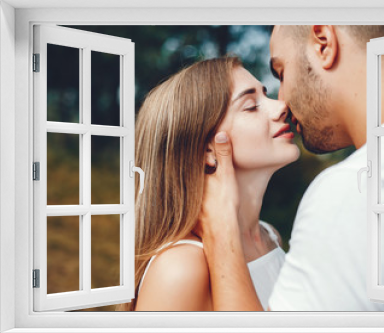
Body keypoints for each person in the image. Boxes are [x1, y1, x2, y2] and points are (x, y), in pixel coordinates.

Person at [198, 25, 384, 311]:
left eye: (282, 73)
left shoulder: (356, 192)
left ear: (323, 43)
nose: (281, 102)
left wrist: (220, 231)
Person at [118, 57, 300, 311]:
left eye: (265, 95)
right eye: (251, 106)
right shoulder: (180, 268)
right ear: (207, 149)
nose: (281, 106)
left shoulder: (269, 236)